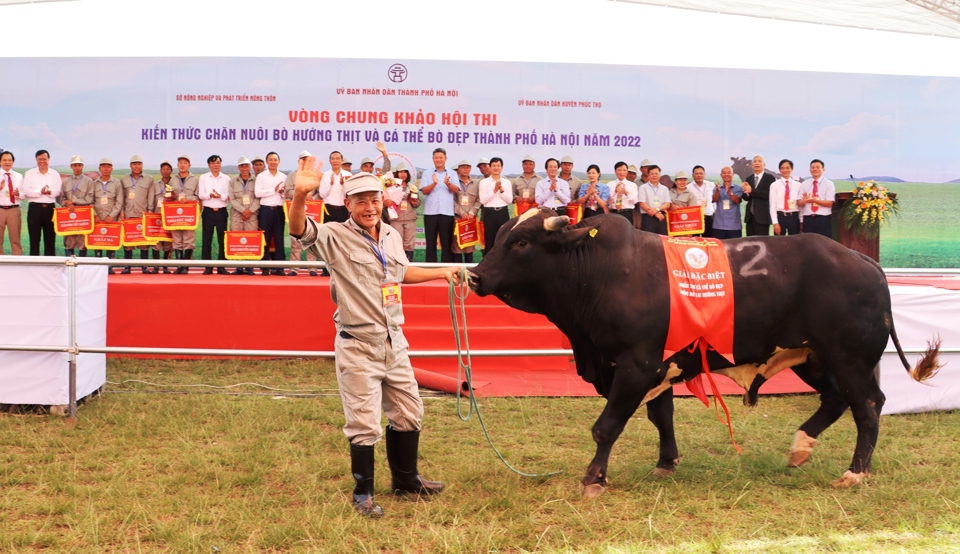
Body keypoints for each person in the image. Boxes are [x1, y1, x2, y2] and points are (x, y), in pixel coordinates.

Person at [288, 159, 458, 519]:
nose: (369, 208)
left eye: (374, 200)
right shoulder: (334, 236)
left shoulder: (392, 234)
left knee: (410, 411)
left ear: (384, 201)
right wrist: (301, 195)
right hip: (357, 344)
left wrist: (443, 271)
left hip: (393, 342)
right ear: (348, 204)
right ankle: (363, 492)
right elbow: (300, 230)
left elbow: (399, 273)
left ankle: (406, 480)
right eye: (360, 201)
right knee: (364, 422)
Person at [286, 150, 322, 276]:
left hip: (312, 211)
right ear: (299, 161)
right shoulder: (292, 175)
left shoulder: (314, 175)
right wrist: (300, 194)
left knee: (311, 238)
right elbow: (288, 191)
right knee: (296, 241)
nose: (306, 161)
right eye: (303, 159)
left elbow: (319, 192)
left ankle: (312, 268)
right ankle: (294, 268)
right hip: (297, 211)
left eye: (308, 159)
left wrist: (313, 196)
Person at [119, 155, 157, 273]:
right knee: (128, 242)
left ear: (142, 165)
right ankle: (127, 267)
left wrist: (150, 212)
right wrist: (121, 211)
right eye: (134, 164)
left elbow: (151, 196)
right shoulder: (124, 179)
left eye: (139, 164)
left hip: (143, 214)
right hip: (128, 214)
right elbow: (121, 197)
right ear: (130, 165)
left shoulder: (149, 179)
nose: (137, 166)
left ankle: (144, 267)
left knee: (143, 243)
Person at [420, 147, 457, 263]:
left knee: (446, 243)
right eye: (436, 158)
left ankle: (446, 268)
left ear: (445, 159)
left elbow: (456, 190)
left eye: (441, 157)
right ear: (433, 159)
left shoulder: (452, 173)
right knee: (430, 242)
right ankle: (430, 268)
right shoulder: (427, 173)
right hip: (430, 212)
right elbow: (424, 191)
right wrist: (434, 183)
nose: (438, 160)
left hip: (447, 212)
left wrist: (447, 183)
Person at [21, 149, 62, 256]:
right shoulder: (29, 173)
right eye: (39, 159)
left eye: (44, 159)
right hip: (35, 209)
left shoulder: (54, 174)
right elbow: (26, 190)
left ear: (49, 159)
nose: (42, 161)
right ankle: (34, 266)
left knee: (50, 239)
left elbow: (58, 190)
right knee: (34, 239)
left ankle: (50, 266)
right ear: (36, 160)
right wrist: (40, 192)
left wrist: (49, 191)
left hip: (50, 209)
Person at [254, 151, 287, 276]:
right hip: (265, 210)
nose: (273, 162)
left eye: (275, 159)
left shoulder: (283, 177)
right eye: (271, 160)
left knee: (279, 239)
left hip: (278, 210)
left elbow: (285, 195)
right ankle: (265, 267)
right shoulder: (261, 176)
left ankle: (280, 267)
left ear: (278, 161)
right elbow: (258, 193)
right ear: (267, 162)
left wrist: (282, 191)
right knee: (265, 239)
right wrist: (273, 190)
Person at [197, 155, 230, 274]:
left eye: (218, 163)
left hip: (221, 212)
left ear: (221, 164)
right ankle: (208, 266)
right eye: (213, 163)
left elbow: (228, 196)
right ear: (209, 165)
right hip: (208, 212)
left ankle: (222, 266)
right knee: (207, 240)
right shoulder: (203, 177)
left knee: (223, 240)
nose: (216, 165)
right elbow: (201, 194)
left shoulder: (226, 178)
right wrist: (210, 195)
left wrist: (220, 196)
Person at [228, 156, 260, 274]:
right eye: (242, 166)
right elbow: (231, 198)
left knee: (251, 239)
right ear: (238, 168)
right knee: (237, 239)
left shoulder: (257, 180)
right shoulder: (232, 181)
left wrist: (250, 210)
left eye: (246, 166)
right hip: (237, 214)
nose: (244, 168)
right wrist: (243, 210)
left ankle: (249, 266)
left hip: (252, 214)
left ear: (249, 167)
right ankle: (238, 266)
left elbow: (258, 198)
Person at [92, 158, 124, 272]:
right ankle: (99, 268)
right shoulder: (94, 183)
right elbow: (91, 201)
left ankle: (110, 267)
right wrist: (95, 215)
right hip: (97, 218)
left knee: (111, 241)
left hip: (112, 218)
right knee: (98, 241)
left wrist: (112, 215)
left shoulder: (117, 183)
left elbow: (119, 201)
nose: (106, 169)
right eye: (103, 166)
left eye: (108, 166)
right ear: (99, 168)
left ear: (112, 169)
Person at [60, 155, 95, 257]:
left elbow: (89, 198)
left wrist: (74, 201)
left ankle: (82, 268)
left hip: (83, 216)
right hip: (69, 216)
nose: (77, 167)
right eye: (75, 165)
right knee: (69, 241)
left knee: (82, 241)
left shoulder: (88, 181)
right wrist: (66, 203)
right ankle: (69, 267)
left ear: (82, 166)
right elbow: (62, 199)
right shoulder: (66, 182)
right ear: (71, 166)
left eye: (79, 165)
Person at [170, 155, 200, 274]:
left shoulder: (195, 179)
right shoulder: (173, 180)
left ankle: (186, 266)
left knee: (188, 239)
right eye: (180, 163)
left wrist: (187, 198)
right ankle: (179, 266)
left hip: (189, 214)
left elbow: (198, 197)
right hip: (175, 214)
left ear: (189, 165)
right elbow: (170, 196)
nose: (182, 165)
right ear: (177, 165)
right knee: (177, 239)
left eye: (185, 163)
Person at [385, 163, 419, 261]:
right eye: (400, 172)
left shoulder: (412, 187)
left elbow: (417, 204)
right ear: (396, 174)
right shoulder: (391, 187)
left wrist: (414, 201)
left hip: (410, 219)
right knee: (396, 243)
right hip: (396, 219)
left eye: (405, 172)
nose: (403, 174)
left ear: (408, 174)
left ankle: (409, 267)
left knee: (409, 245)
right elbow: (386, 200)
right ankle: (396, 267)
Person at [478, 157, 512, 255]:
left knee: (503, 240)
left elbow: (509, 200)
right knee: (489, 240)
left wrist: (501, 190)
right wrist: (494, 190)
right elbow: (483, 200)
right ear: (490, 167)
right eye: (493, 166)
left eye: (498, 166)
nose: (496, 168)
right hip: (490, 213)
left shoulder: (507, 182)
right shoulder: (484, 182)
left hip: (503, 213)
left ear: (502, 168)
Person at [451, 159, 481, 263]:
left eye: (467, 167)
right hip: (458, 220)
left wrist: (472, 212)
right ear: (459, 169)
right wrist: (462, 213)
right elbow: (452, 201)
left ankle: (468, 274)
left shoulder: (476, 183)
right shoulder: (454, 183)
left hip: (470, 220)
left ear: (470, 169)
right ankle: (457, 274)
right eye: (463, 167)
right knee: (457, 247)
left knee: (469, 247)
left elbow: (479, 200)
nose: (465, 169)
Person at [799, 159, 835, 239]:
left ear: (823, 169)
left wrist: (814, 201)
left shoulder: (828, 183)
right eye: (812, 167)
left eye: (818, 167)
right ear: (810, 170)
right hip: (808, 219)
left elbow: (829, 203)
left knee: (824, 245)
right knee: (808, 244)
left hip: (823, 219)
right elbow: (799, 202)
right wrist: (804, 201)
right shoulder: (804, 184)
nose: (815, 169)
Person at [742, 154, 775, 236]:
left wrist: (751, 190)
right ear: (752, 165)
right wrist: (745, 192)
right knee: (749, 243)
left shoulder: (770, 178)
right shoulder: (749, 178)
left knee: (762, 243)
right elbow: (746, 198)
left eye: (759, 161)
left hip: (762, 217)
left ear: (764, 165)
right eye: (755, 161)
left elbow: (768, 195)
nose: (757, 163)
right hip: (750, 217)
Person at [317, 150, 353, 225]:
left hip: (343, 210)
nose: (335, 161)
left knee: (342, 234)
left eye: (337, 158)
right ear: (330, 161)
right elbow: (322, 195)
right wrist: (330, 184)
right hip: (328, 209)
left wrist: (344, 185)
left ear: (342, 161)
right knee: (327, 234)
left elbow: (350, 195)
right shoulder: (325, 175)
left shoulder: (348, 175)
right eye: (333, 159)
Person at [152, 161, 175, 273]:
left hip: (169, 217)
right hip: (156, 216)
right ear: (160, 171)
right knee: (156, 241)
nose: (165, 171)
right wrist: (150, 214)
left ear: (171, 171)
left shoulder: (174, 184)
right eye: (163, 169)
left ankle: (165, 266)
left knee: (168, 242)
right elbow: (151, 200)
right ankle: (156, 266)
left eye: (168, 169)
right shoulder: (155, 185)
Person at [769, 159, 801, 236]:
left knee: (795, 242)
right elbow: (772, 205)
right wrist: (775, 223)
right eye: (783, 168)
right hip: (780, 216)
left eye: (787, 168)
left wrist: (801, 221)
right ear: (780, 170)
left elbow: (800, 205)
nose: (785, 170)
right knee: (778, 243)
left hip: (794, 217)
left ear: (792, 169)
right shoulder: (774, 185)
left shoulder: (798, 185)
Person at [0, 151, 23, 255]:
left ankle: (17, 265)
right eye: (4, 160)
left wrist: (19, 194)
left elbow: (23, 194)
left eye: (9, 160)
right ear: (0, 162)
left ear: (13, 162)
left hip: (14, 210)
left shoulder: (19, 176)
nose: (7, 162)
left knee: (15, 240)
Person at [636, 165, 671, 234]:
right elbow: (642, 203)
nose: (654, 176)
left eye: (656, 173)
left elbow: (667, 204)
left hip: (661, 217)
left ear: (660, 175)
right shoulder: (643, 187)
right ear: (648, 175)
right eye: (652, 174)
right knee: (649, 240)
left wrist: (657, 210)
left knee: (662, 239)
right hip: (648, 217)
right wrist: (656, 213)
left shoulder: (664, 188)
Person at [712, 166, 744, 239]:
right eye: (724, 173)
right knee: (719, 248)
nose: (726, 175)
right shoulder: (717, 187)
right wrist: (717, 191)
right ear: (721, 175)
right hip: (719, 225)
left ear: (733, 174)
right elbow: (714, 200)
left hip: (734, 226)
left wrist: (730, 193)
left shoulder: (738, 188)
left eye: (729, 172)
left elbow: (737, 201)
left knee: (735, 248)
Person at [689, 165, 717, 238]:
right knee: (695, 240)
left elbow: (715, 199)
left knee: (709, 240)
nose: (699, 175)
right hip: (695, 218)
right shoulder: (688, 187)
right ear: (693, 175)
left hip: (709, 216)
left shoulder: (711, 184)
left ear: (704, 175)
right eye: (696, 173)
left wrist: (714, 211)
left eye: (701, 173)